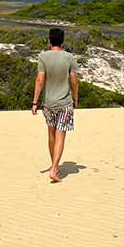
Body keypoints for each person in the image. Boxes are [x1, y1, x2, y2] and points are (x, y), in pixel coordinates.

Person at [32, 27, 78, 183]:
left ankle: (54, 166)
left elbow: (39, 80)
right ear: (62, 41)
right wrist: (76, 97)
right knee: (60, 135)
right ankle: (54, 169)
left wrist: (34, 102)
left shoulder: (43, 57)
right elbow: (74, 80)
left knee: (51, 135)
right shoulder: (70, 57)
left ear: (49, 40)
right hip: (65, 102)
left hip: (48, 103)